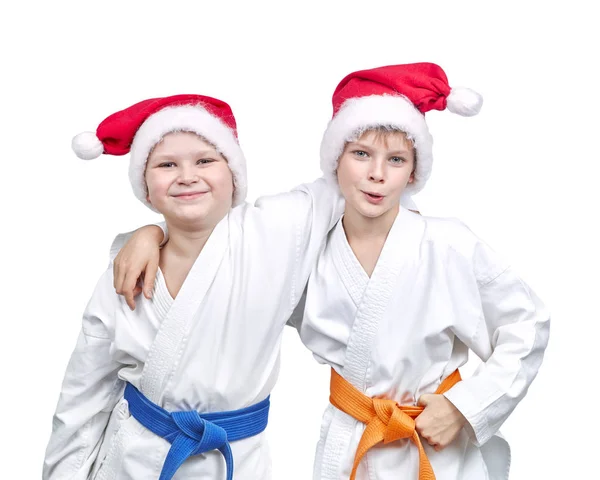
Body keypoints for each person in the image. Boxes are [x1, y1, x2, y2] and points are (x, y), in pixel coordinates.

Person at [43, 93, 345, 480]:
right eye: (167, 164)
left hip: (236, 461)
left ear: (234, 175)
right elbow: (83, 394)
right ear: (146, 188)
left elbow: (353, 180)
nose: (187, 176)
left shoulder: (274, 236)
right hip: (135, 462)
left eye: (205, 160)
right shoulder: (124, 273)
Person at [291, 63, 551, 479]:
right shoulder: (305, 249)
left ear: (413, 172)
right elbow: (232, 270)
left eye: (395, 159)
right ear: (334, 160)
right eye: (361, 154)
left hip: (434, 444)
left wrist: (465, 408)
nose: (377, 173)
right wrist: (151, 237)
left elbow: (527, 323)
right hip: (348, 445)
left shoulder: (447, 246)